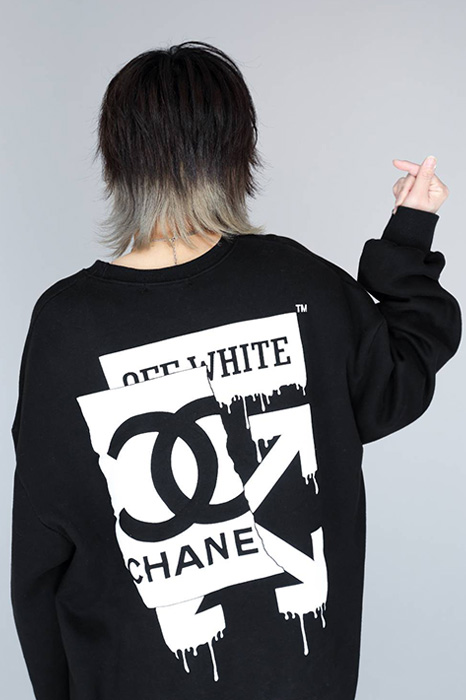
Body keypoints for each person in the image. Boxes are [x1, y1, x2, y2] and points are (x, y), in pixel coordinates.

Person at [9, 41, 461, 700]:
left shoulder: (66, 325)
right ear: (238, 154)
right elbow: (400, 375)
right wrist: (410, 232)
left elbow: (41, 553)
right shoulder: (295, 280)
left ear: (116, 158)